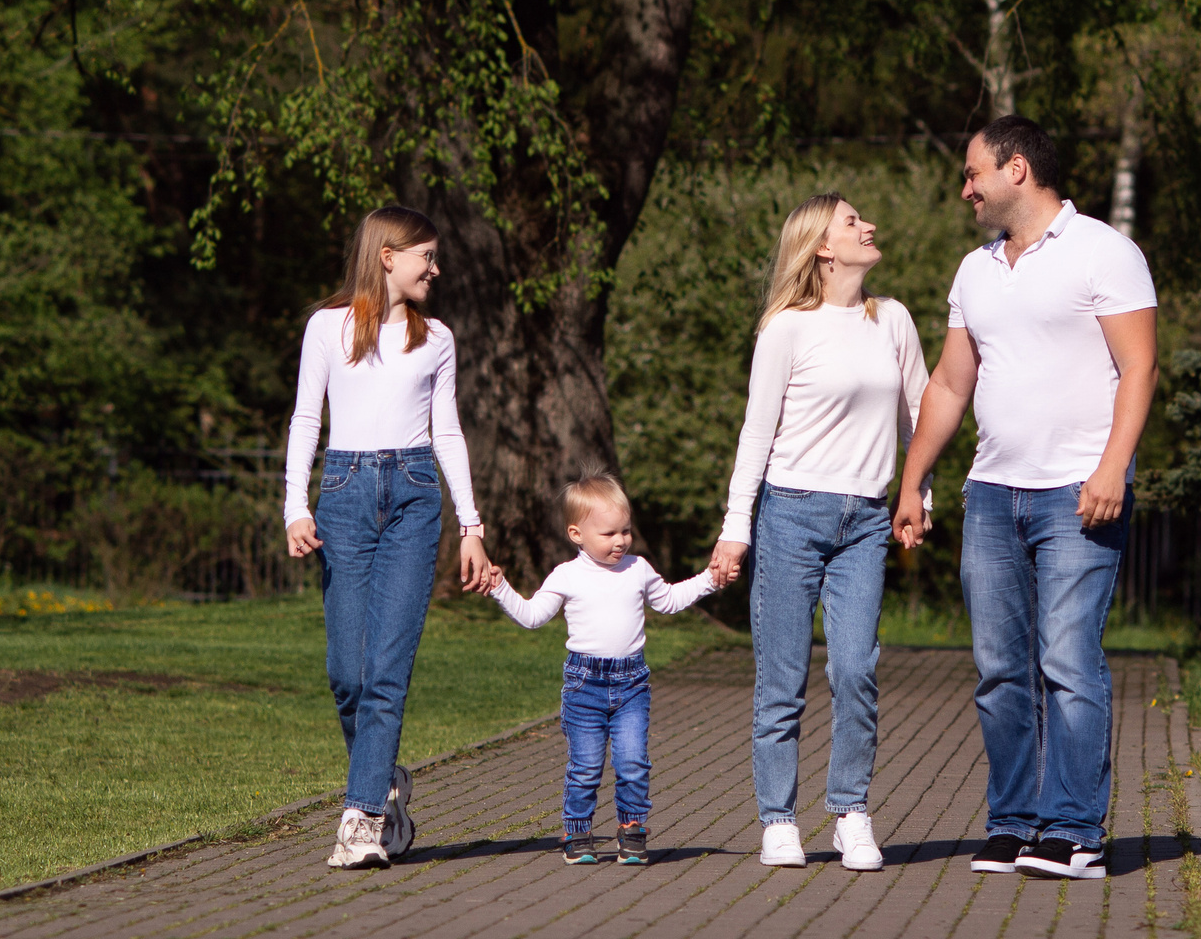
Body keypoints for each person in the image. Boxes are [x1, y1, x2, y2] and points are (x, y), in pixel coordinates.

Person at [893, 115, 1158, 881]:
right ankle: (1014, 824)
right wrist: (913, 481)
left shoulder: (1105, 251)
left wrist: (1113, 468)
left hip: (1079, 491)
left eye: (973, 174)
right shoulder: (975, 270)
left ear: (1016, 169)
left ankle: (1076, 832)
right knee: (999, 667)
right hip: (991, 494)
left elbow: (1138, 369)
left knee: (1068, 660)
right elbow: (949, 383)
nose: (965, 190)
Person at [707, 195, 928, 873]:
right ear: (823, 249)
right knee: (781, 677)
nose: (869, 226)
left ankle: (850, 812)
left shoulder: (891, 319)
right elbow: (756, 433)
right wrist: (734, 529)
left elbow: (922, 411)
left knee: (856, 667)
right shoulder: (786, 330)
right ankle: (778, 819)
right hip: (790, 515)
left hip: (865, 519)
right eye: (853, 221)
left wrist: (919, 496)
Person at [283, 206, 501, 870]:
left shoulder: (436, 338)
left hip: (412, 497)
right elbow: (305, 417)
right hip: (344, 496)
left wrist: (472, 526)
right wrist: (294, 505)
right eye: (425, 258)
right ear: (387, 256)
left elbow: (448, 433)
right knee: (346, 674)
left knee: (386, 672)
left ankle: (363, 821)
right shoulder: (327, 327)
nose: (435, 269)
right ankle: (382, 779)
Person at [487, 475, 722, 866]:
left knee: (632, 761)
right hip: (584, 685)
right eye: (609, 533)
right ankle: (578, 831)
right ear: (576, 533)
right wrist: (500, 588)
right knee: (586, 766)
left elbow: (669, 599)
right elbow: (532, 616)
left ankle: (632, 830)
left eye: (626, 531)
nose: (620, 541)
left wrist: (710, 580)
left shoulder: (638, 568)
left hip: (632, 683)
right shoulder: (567, 575)